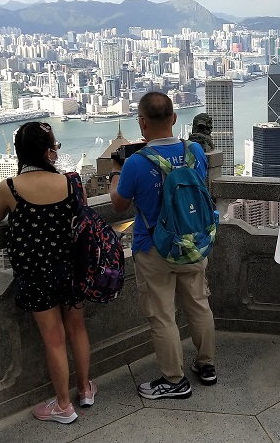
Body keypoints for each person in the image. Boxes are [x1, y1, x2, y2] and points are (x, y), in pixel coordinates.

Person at [110, 92, 217, 399]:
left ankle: (174, 381)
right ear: (173, 119)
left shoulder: (136, 163)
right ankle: (206, 366)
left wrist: (116, 173)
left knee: (162, 315)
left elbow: (119, 205)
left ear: (142, 123)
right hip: (193, 243)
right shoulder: (195, 150)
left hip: (154, 248)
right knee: (199, 305)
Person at [0, 121, 96, 423]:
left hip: (37, 274)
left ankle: (63, 405)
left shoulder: (9, 187)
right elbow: (83, 216)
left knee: (53, 338)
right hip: (72, 269)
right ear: (50, 152)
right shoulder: (73, 182)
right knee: (77, 327)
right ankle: (85, 389)